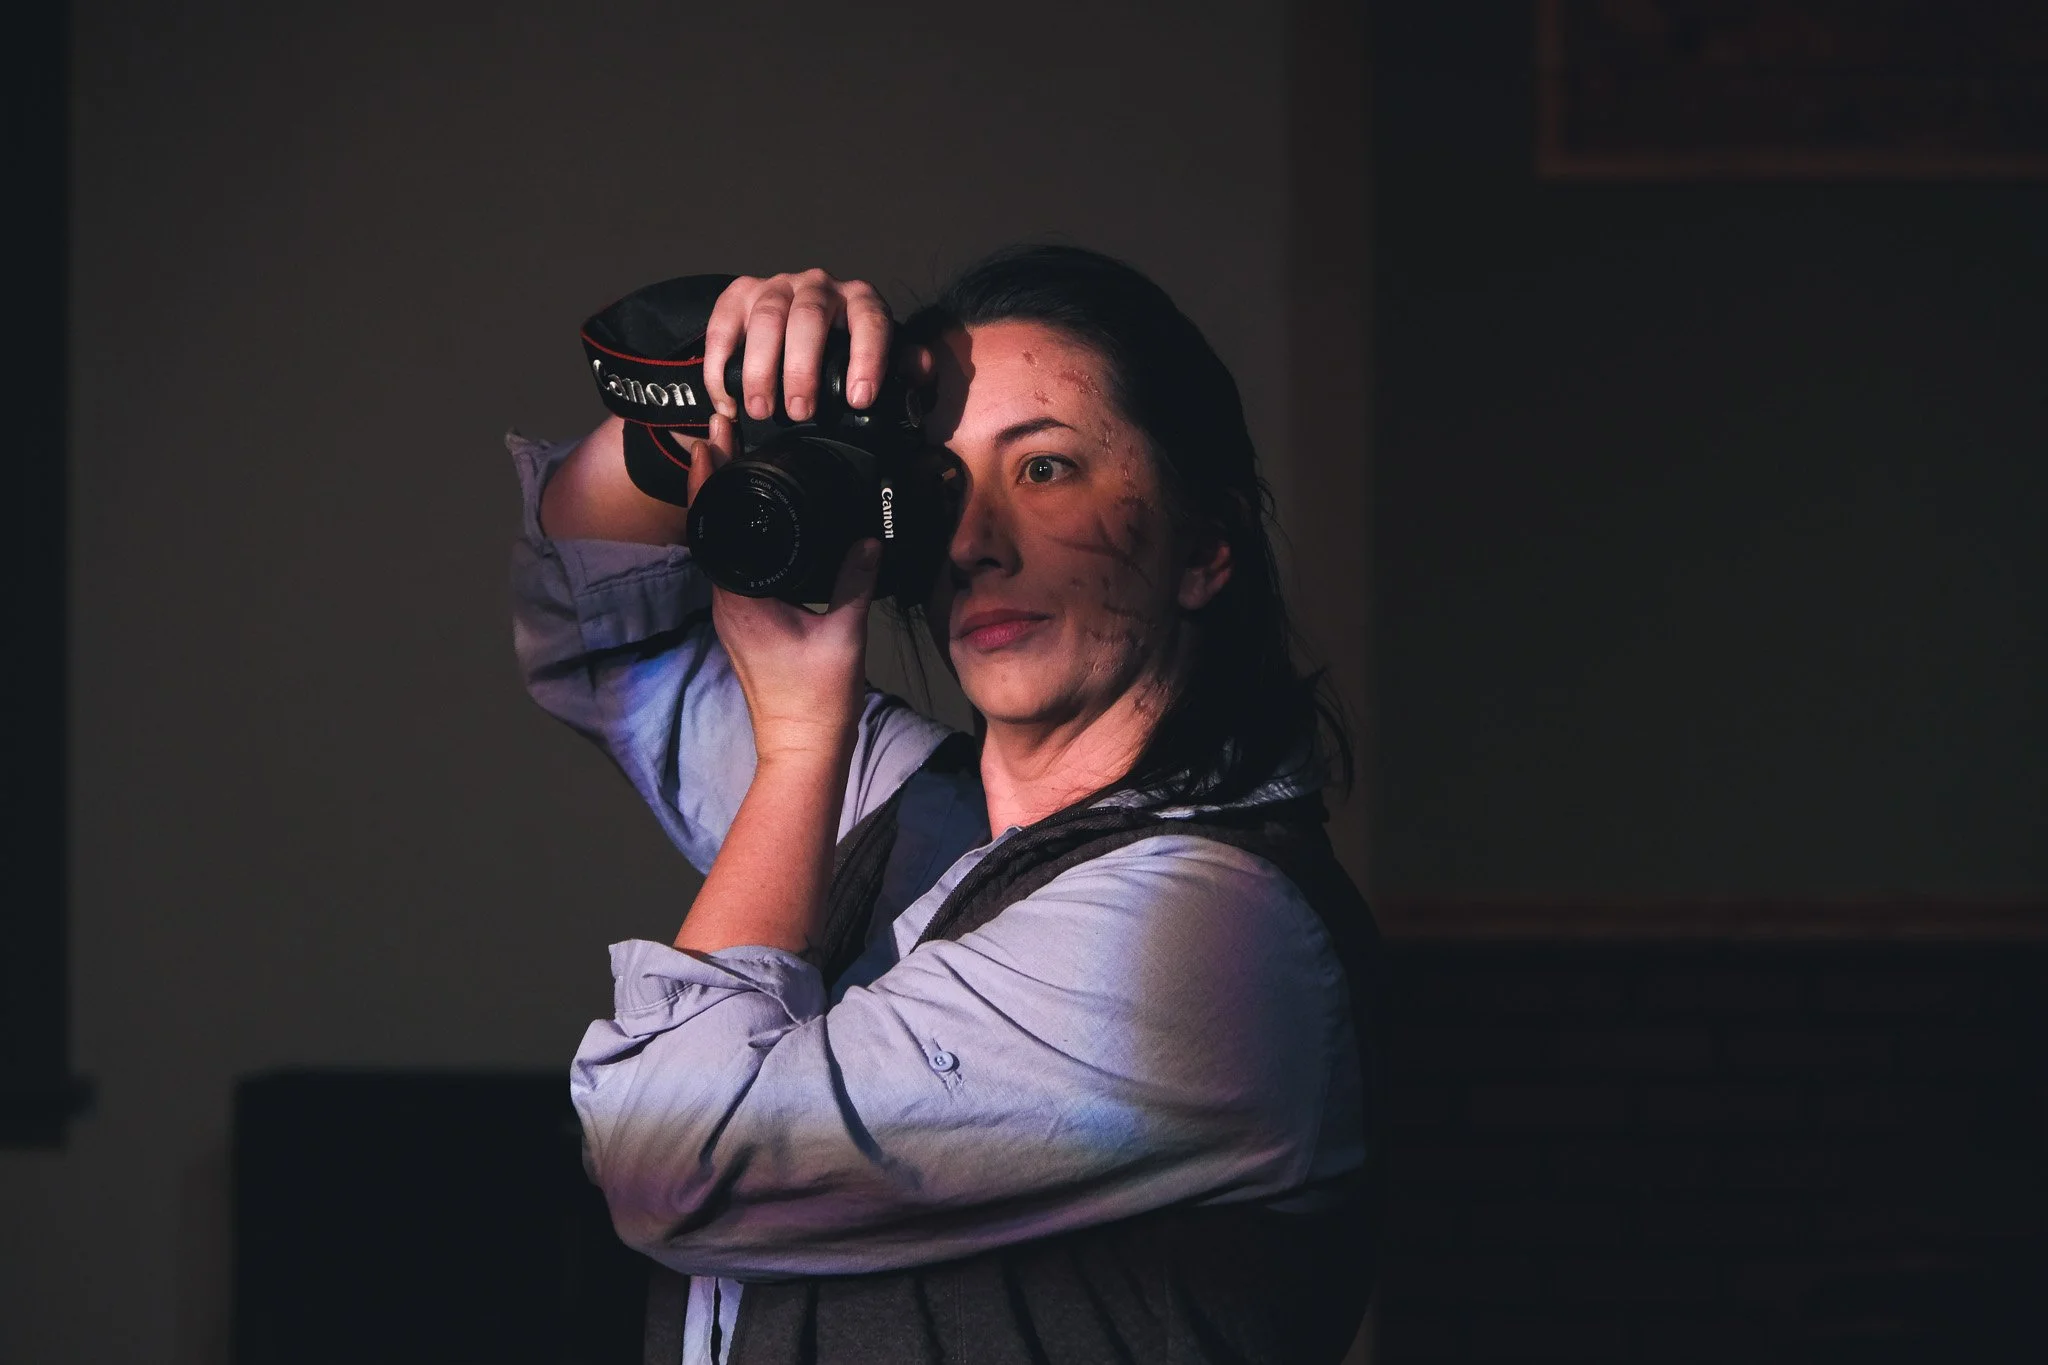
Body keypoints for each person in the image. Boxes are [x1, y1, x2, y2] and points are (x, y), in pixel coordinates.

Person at [512, 245, 1379, 1364]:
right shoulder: (910, 808)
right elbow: (598, 625)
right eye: (942, 482)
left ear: (1202, 551)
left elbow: (672, 1164)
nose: (975, 541)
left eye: (1047, 469)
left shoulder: (1213, 935)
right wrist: (718, 381)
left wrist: (795, 745)